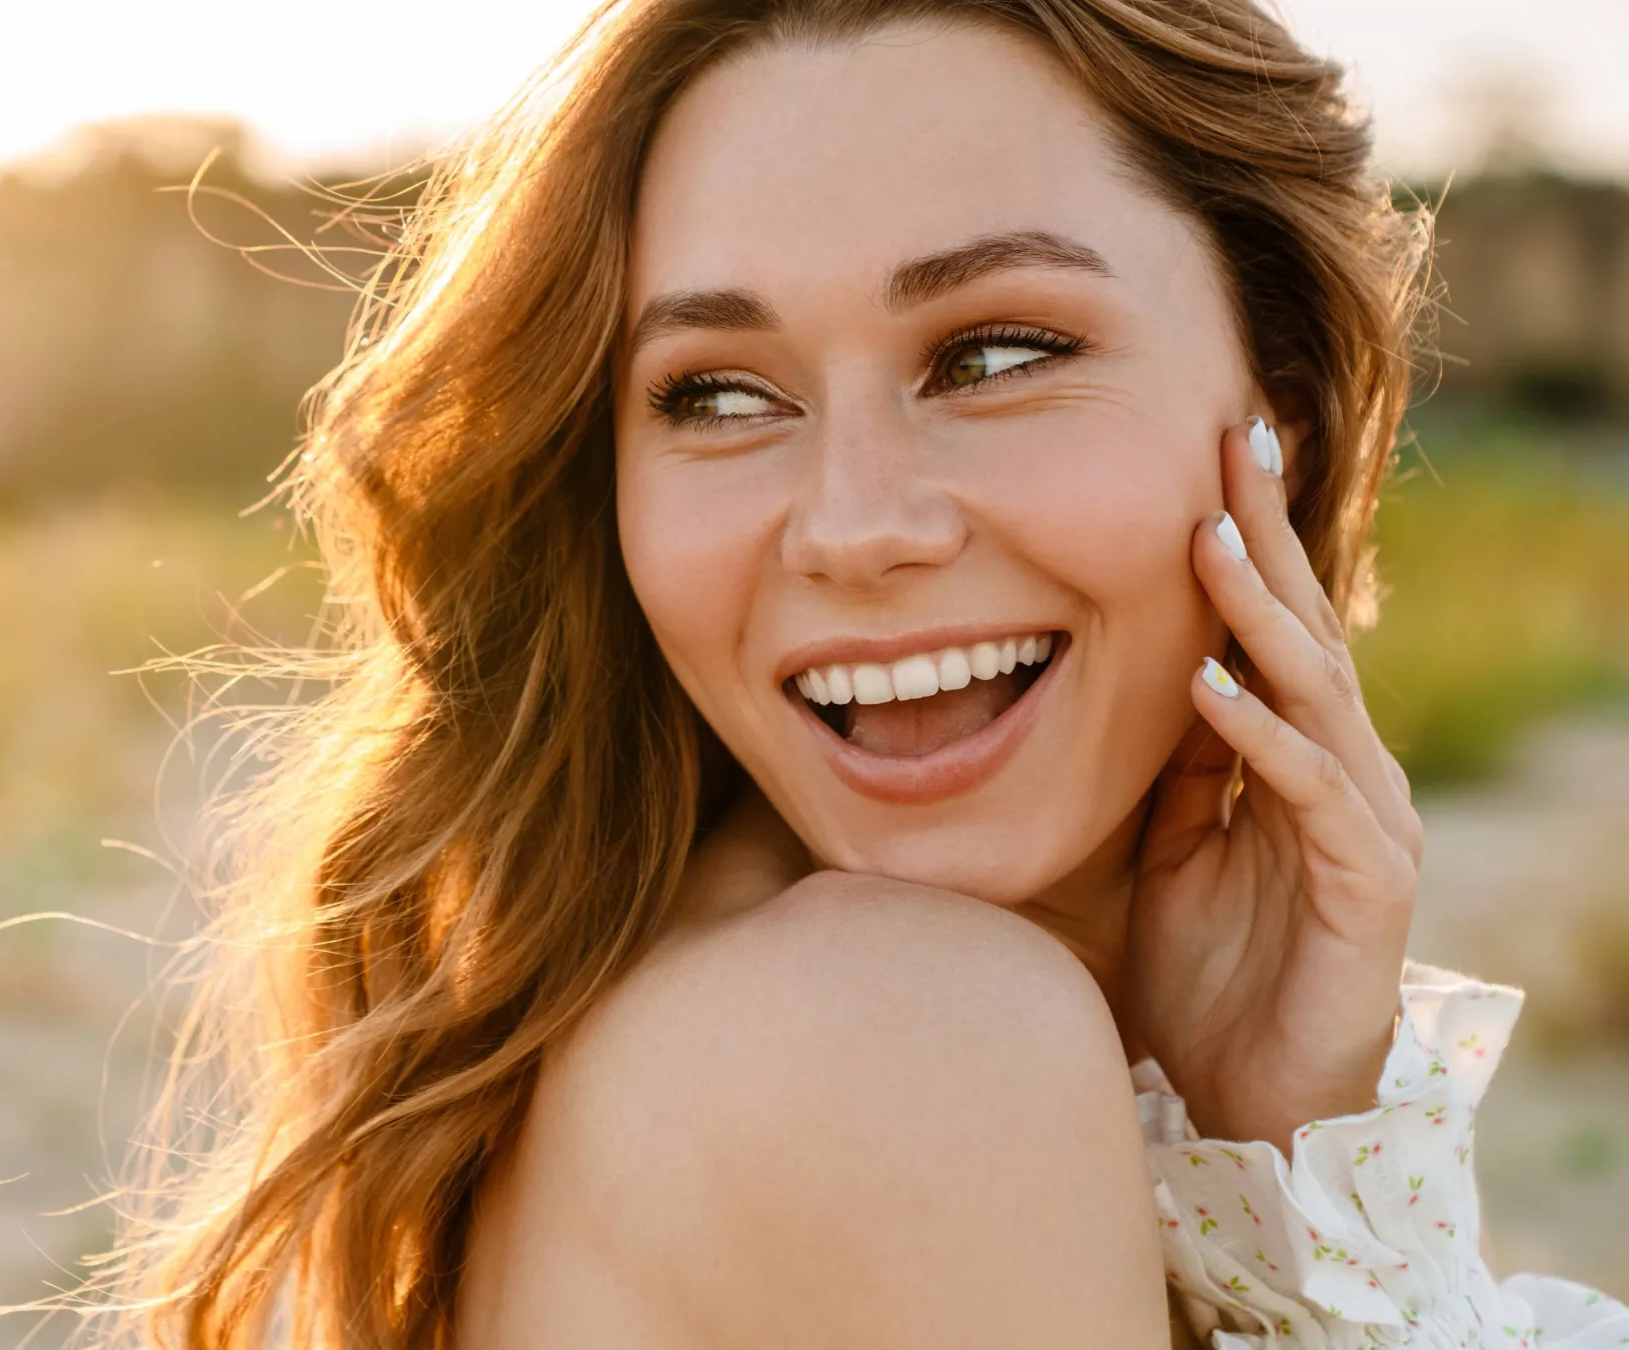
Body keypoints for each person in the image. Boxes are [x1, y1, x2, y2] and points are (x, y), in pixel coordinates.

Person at [99, 2, 1629, 1346]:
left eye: (995, 354)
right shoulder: (902, 1036)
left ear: (1270, 425)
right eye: (719, 392)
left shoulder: (713, 995)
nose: (852, 526)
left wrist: (1283, 1143)